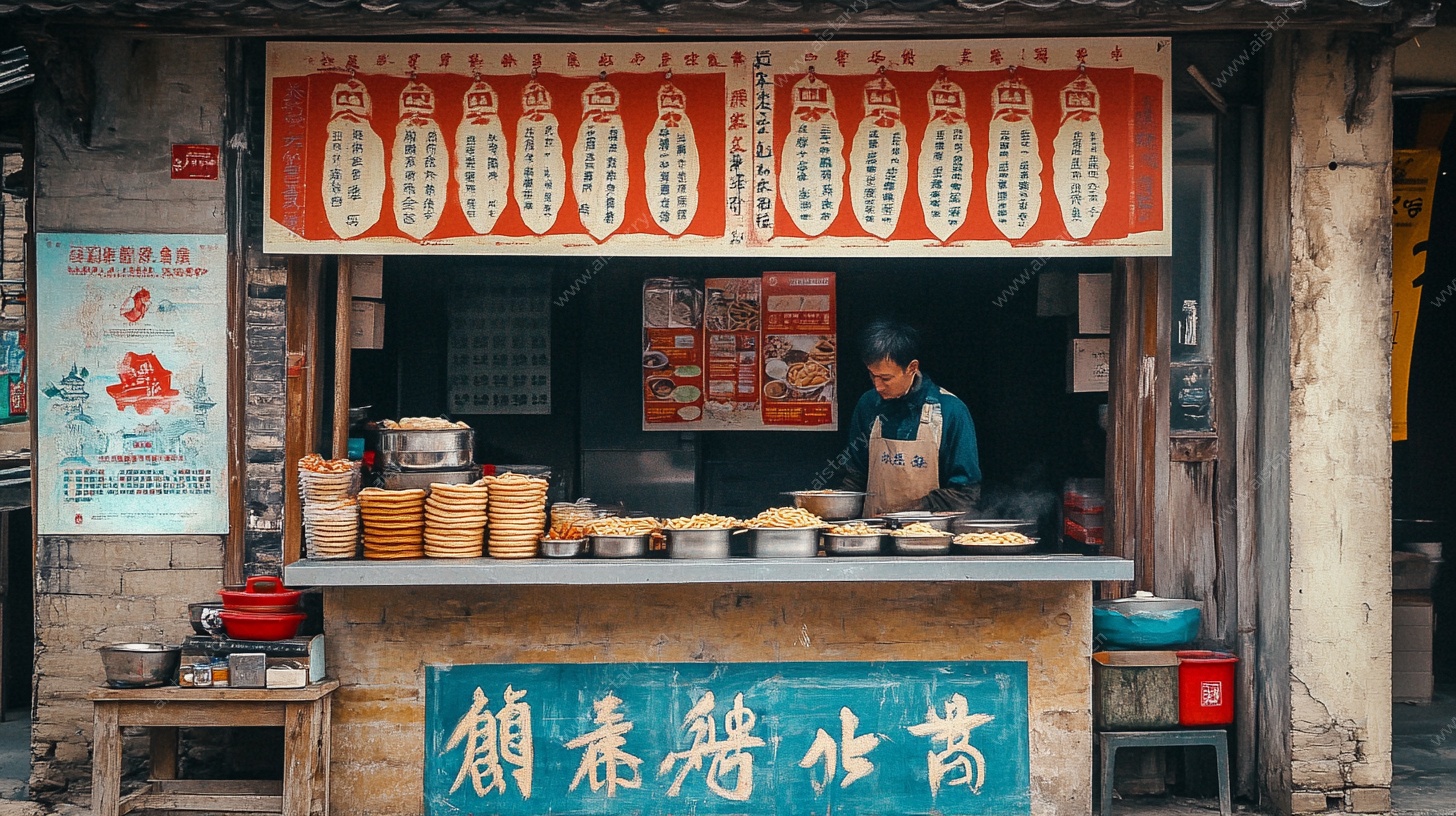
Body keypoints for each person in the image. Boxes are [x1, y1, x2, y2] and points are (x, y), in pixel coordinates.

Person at [841, 319, 981, 515]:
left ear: (912, 367)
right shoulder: (868, 405)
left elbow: (965, 494)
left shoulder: (951, 411)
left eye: (886, 378)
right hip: (872, 528)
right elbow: (855, 476)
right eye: (872, 375)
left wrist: (905, 513)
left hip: (929, 531)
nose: (877, 386)